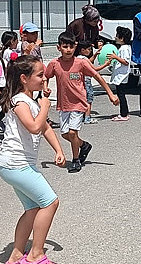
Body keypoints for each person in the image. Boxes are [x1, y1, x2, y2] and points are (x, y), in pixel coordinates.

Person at [0, 55, 65, 264]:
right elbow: (35, 126)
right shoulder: (19, 101)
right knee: (50, 202)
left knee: (33, 207)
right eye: (40, 75)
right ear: (24, 78)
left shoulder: (31, 101)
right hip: (16, 165)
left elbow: (45, 127)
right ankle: (36, 254)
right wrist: (45, 103)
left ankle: (16, 255)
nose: (45, 79)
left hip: (16, 164)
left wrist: (59, 150)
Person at [44, 32, 119, 173]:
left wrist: (111, 94)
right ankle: (84, 145)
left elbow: (98, 76)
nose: (68, 50)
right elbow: (46, 76)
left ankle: (76, 160)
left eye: (71, 46)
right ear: (58, 47)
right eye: (65, 46)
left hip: (79, 103)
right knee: (65, 134)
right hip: (63, 104)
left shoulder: (81, 63)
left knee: (72, 133)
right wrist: (45, 88)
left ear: (75, 47)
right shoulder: (55, 64)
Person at [74, 40, 109, 124]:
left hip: (80, 82)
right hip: (87, 82)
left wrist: (96, 55)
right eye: (89, 49)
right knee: (88, 100)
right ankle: (87, 117)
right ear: (83, 50)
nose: (90, 51)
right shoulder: (84, 59)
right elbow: (94, 68)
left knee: (81, 99)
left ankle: (82, 116)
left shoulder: (78, 58)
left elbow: (89, 61)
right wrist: (105, 64)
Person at [109, 26, 133, 122]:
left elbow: (126, 61)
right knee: (121, 93)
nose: (115, 37)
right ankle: (124, 112)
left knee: (121, 94)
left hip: (122, 75)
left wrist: (115, 57)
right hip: (121, 74)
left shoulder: (124, 48)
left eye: (117, 36)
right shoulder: (124, 47)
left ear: (122, 38)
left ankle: (124, 114)